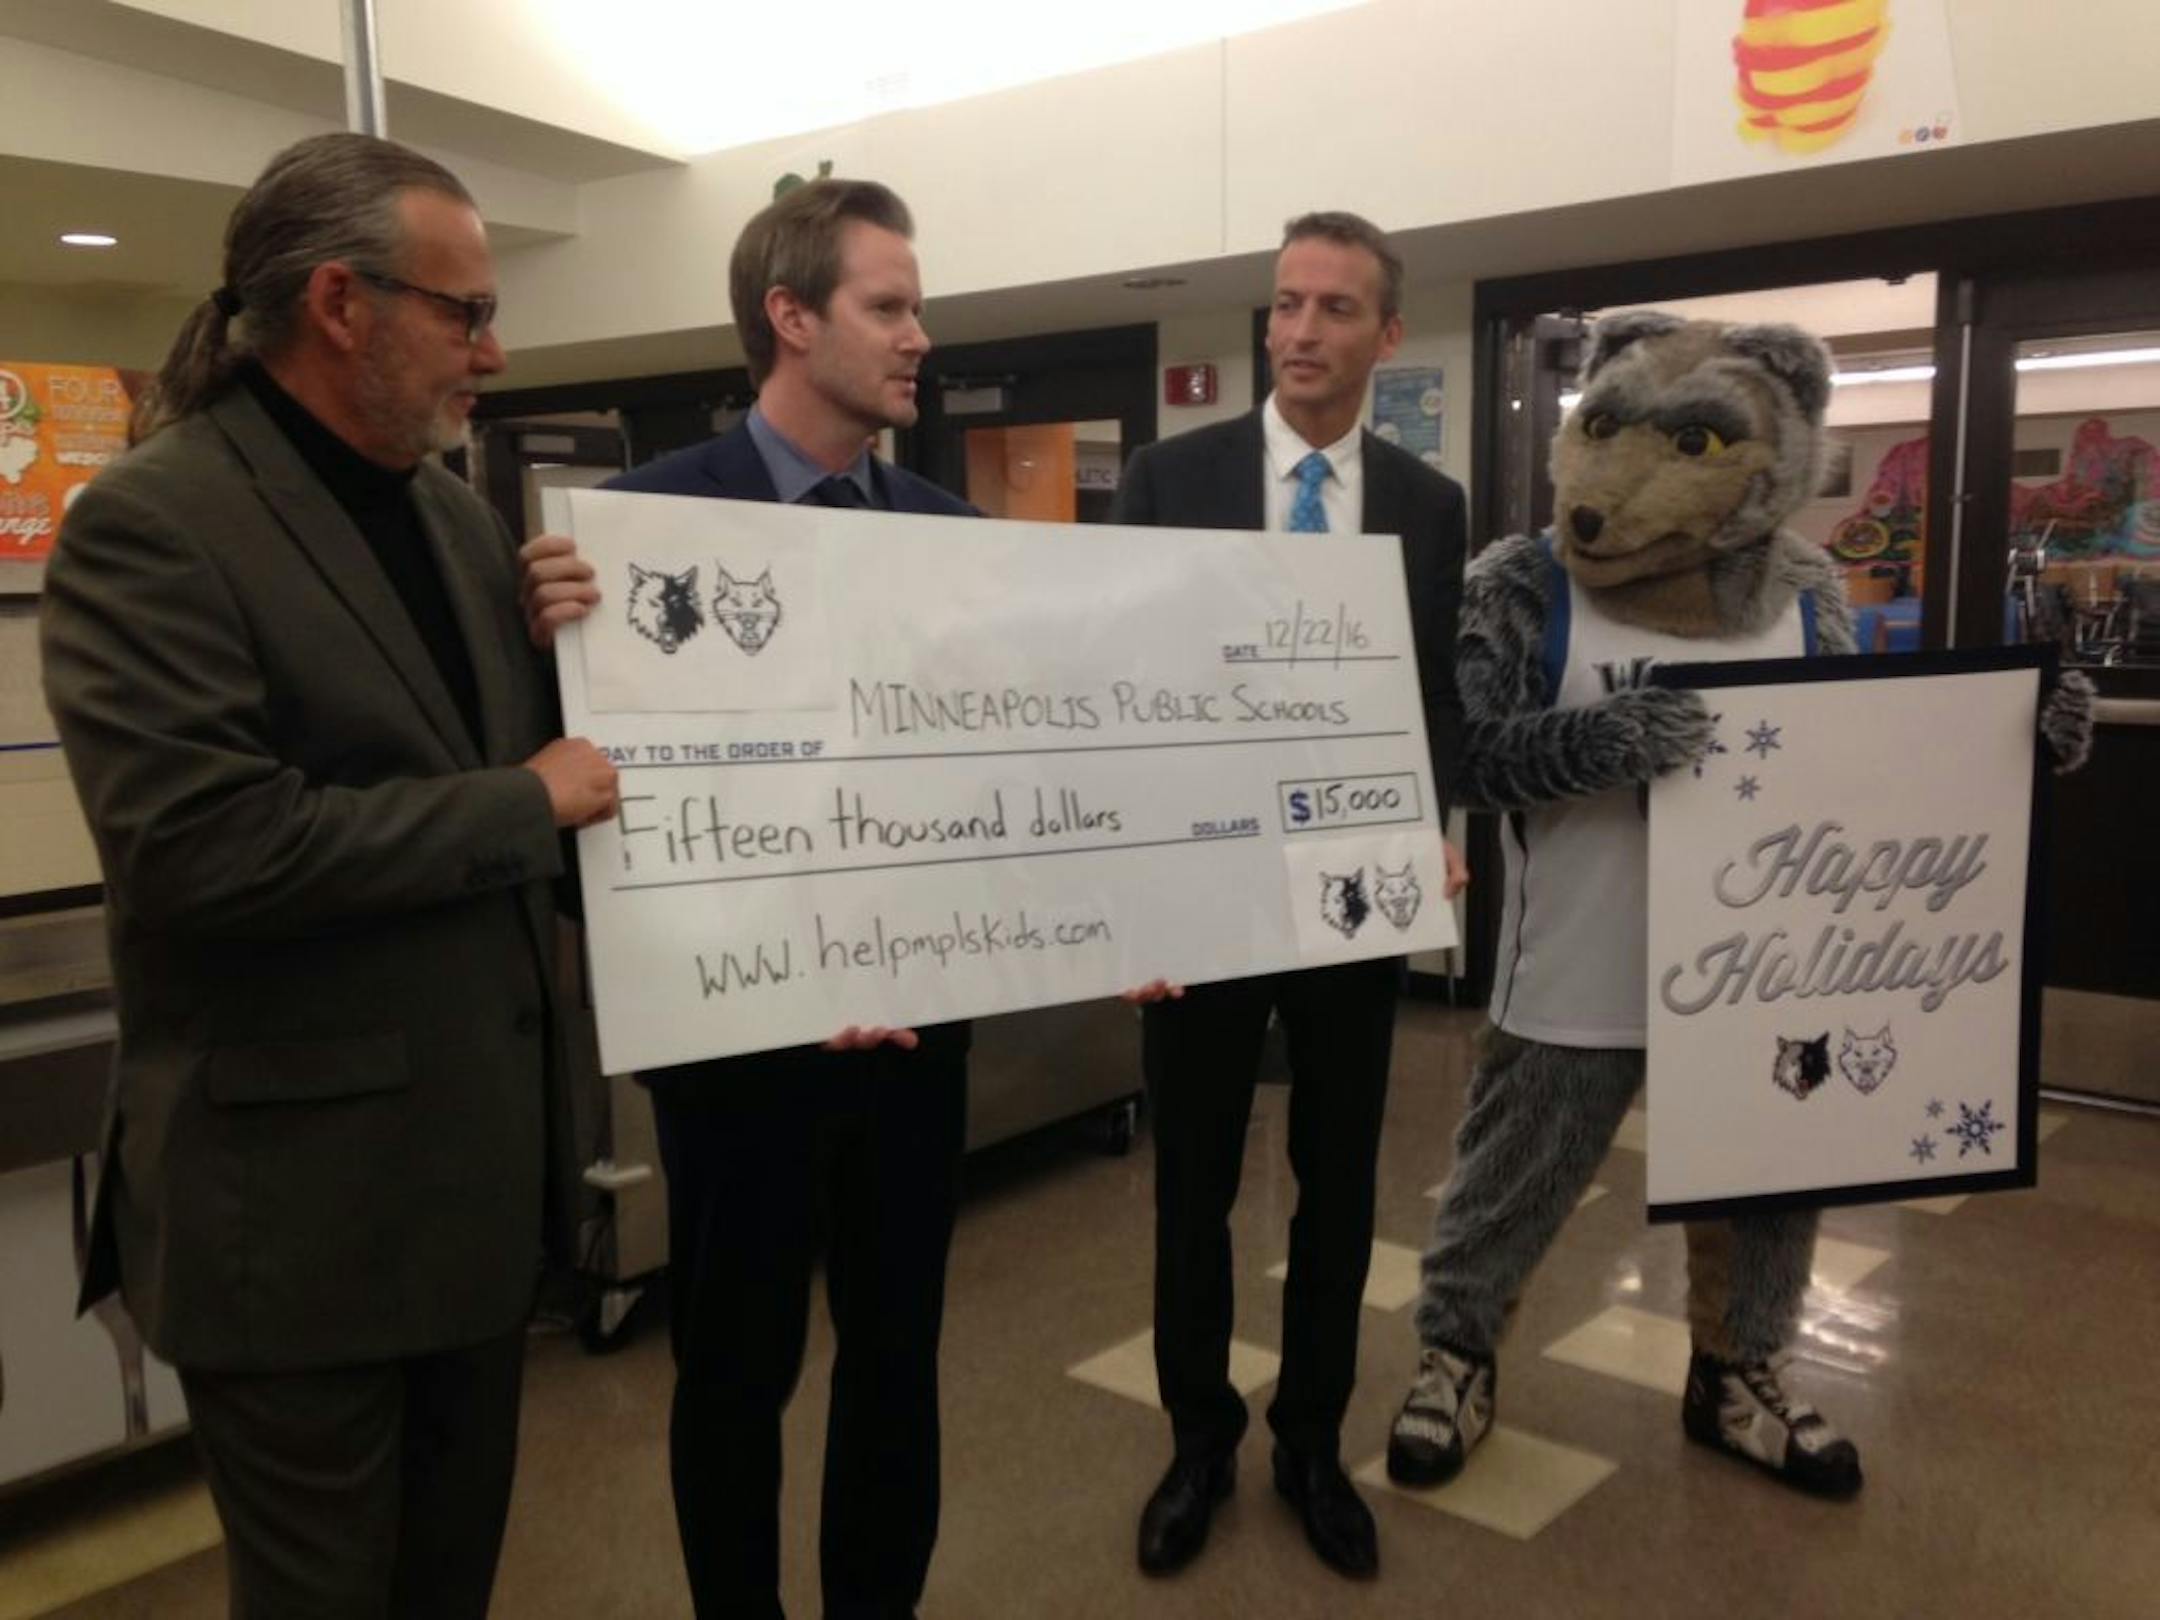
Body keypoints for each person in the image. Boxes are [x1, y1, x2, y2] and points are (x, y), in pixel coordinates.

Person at [38, 132, 617, 1619]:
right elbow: (202, 850)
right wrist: (519, 797)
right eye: (466, 313)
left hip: (475, 1208)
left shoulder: (447, 516)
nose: (492, 350)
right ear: (342, 304)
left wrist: (568, 658)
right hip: (296, 1235)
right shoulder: (150, 525)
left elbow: (507, 776)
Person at [521, 178, 974, 1620]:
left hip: (914, 1040)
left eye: (917, 306)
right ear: (791, 317)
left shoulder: (950, 534)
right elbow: (597, 818)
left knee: (898, 1362)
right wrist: (546, 639)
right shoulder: (632, 537)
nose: (919, 337)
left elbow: (984, 781)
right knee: (733, 1377)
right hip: (735, 1059)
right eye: (887, 306)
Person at [1110, 211, 1469, 1580]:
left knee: (1338, 1180)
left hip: (1354, 891)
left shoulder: (1423, 506)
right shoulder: (1170, 476)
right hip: (1205, 886)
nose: (1302, 331)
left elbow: (1431, 691)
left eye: (1333, 309)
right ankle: (1199, 1437)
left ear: (1387, 334)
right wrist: (1138, 890)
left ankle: (1311, 1441)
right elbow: (1122, 692)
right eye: (1286, 304)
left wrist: (1431, 822)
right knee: (1191, 1180)